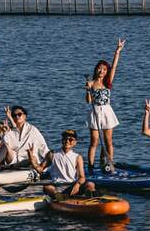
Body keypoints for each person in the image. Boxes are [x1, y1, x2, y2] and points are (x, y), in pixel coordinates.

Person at [85, 38, 125, 172]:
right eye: (99, 69)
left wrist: (117, 51)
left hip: (107, 111)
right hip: (95, 111)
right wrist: (87, 90)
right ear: (96, 70)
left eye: (103, 69)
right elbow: (88, 101)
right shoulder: (90, 83)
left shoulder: (108, 82)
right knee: (94, 141)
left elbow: (114, 66)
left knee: (108, 141)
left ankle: (108, 164)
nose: (101, 71)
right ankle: (90, 166)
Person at [41, 129, 96, 201]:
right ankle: (59, 197)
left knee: (90, 184)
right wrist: (32, 159)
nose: (67, 141)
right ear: (62, 140)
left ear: (75, 142)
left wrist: (78, 185)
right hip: (58, 187)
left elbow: (82, 177)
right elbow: (40, 168)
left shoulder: (77, 157)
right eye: (65, 139)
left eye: (70, 139)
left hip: (72, 187)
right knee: (47, 187)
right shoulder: (52, 153)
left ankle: (92, 198)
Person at [0, 105, 48, 172]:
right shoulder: (10, 131)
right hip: (13, 160)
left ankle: (10, 167)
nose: (17, 117)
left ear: (25, 116)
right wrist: (4, 133)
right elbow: (2, 146)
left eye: (19, 114)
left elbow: (43, 148)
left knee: (32, 158)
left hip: (29, 162)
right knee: (5, 146)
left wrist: (49, 163)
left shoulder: (33, 130)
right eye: (14, 115)